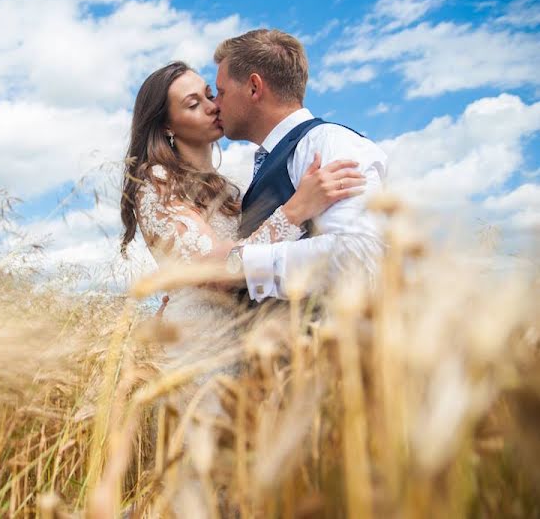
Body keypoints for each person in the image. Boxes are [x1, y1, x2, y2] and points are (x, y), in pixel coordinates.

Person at [119, 60, 366, 514]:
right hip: (199, 345)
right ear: (168, 126)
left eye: (210, 94)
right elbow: (212, 268)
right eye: (194, 104)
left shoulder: (233, 185)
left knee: (245, 477)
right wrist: (296, 210)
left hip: (247, 342)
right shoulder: (155, 180)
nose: (213, 107)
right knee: (201, 475)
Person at [212, 29, 388, 302]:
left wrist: (243, 262)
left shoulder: (328, 143)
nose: (215, 104)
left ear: (254, 87)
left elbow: (359, 257)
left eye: (221, 92)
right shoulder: (264, 165)